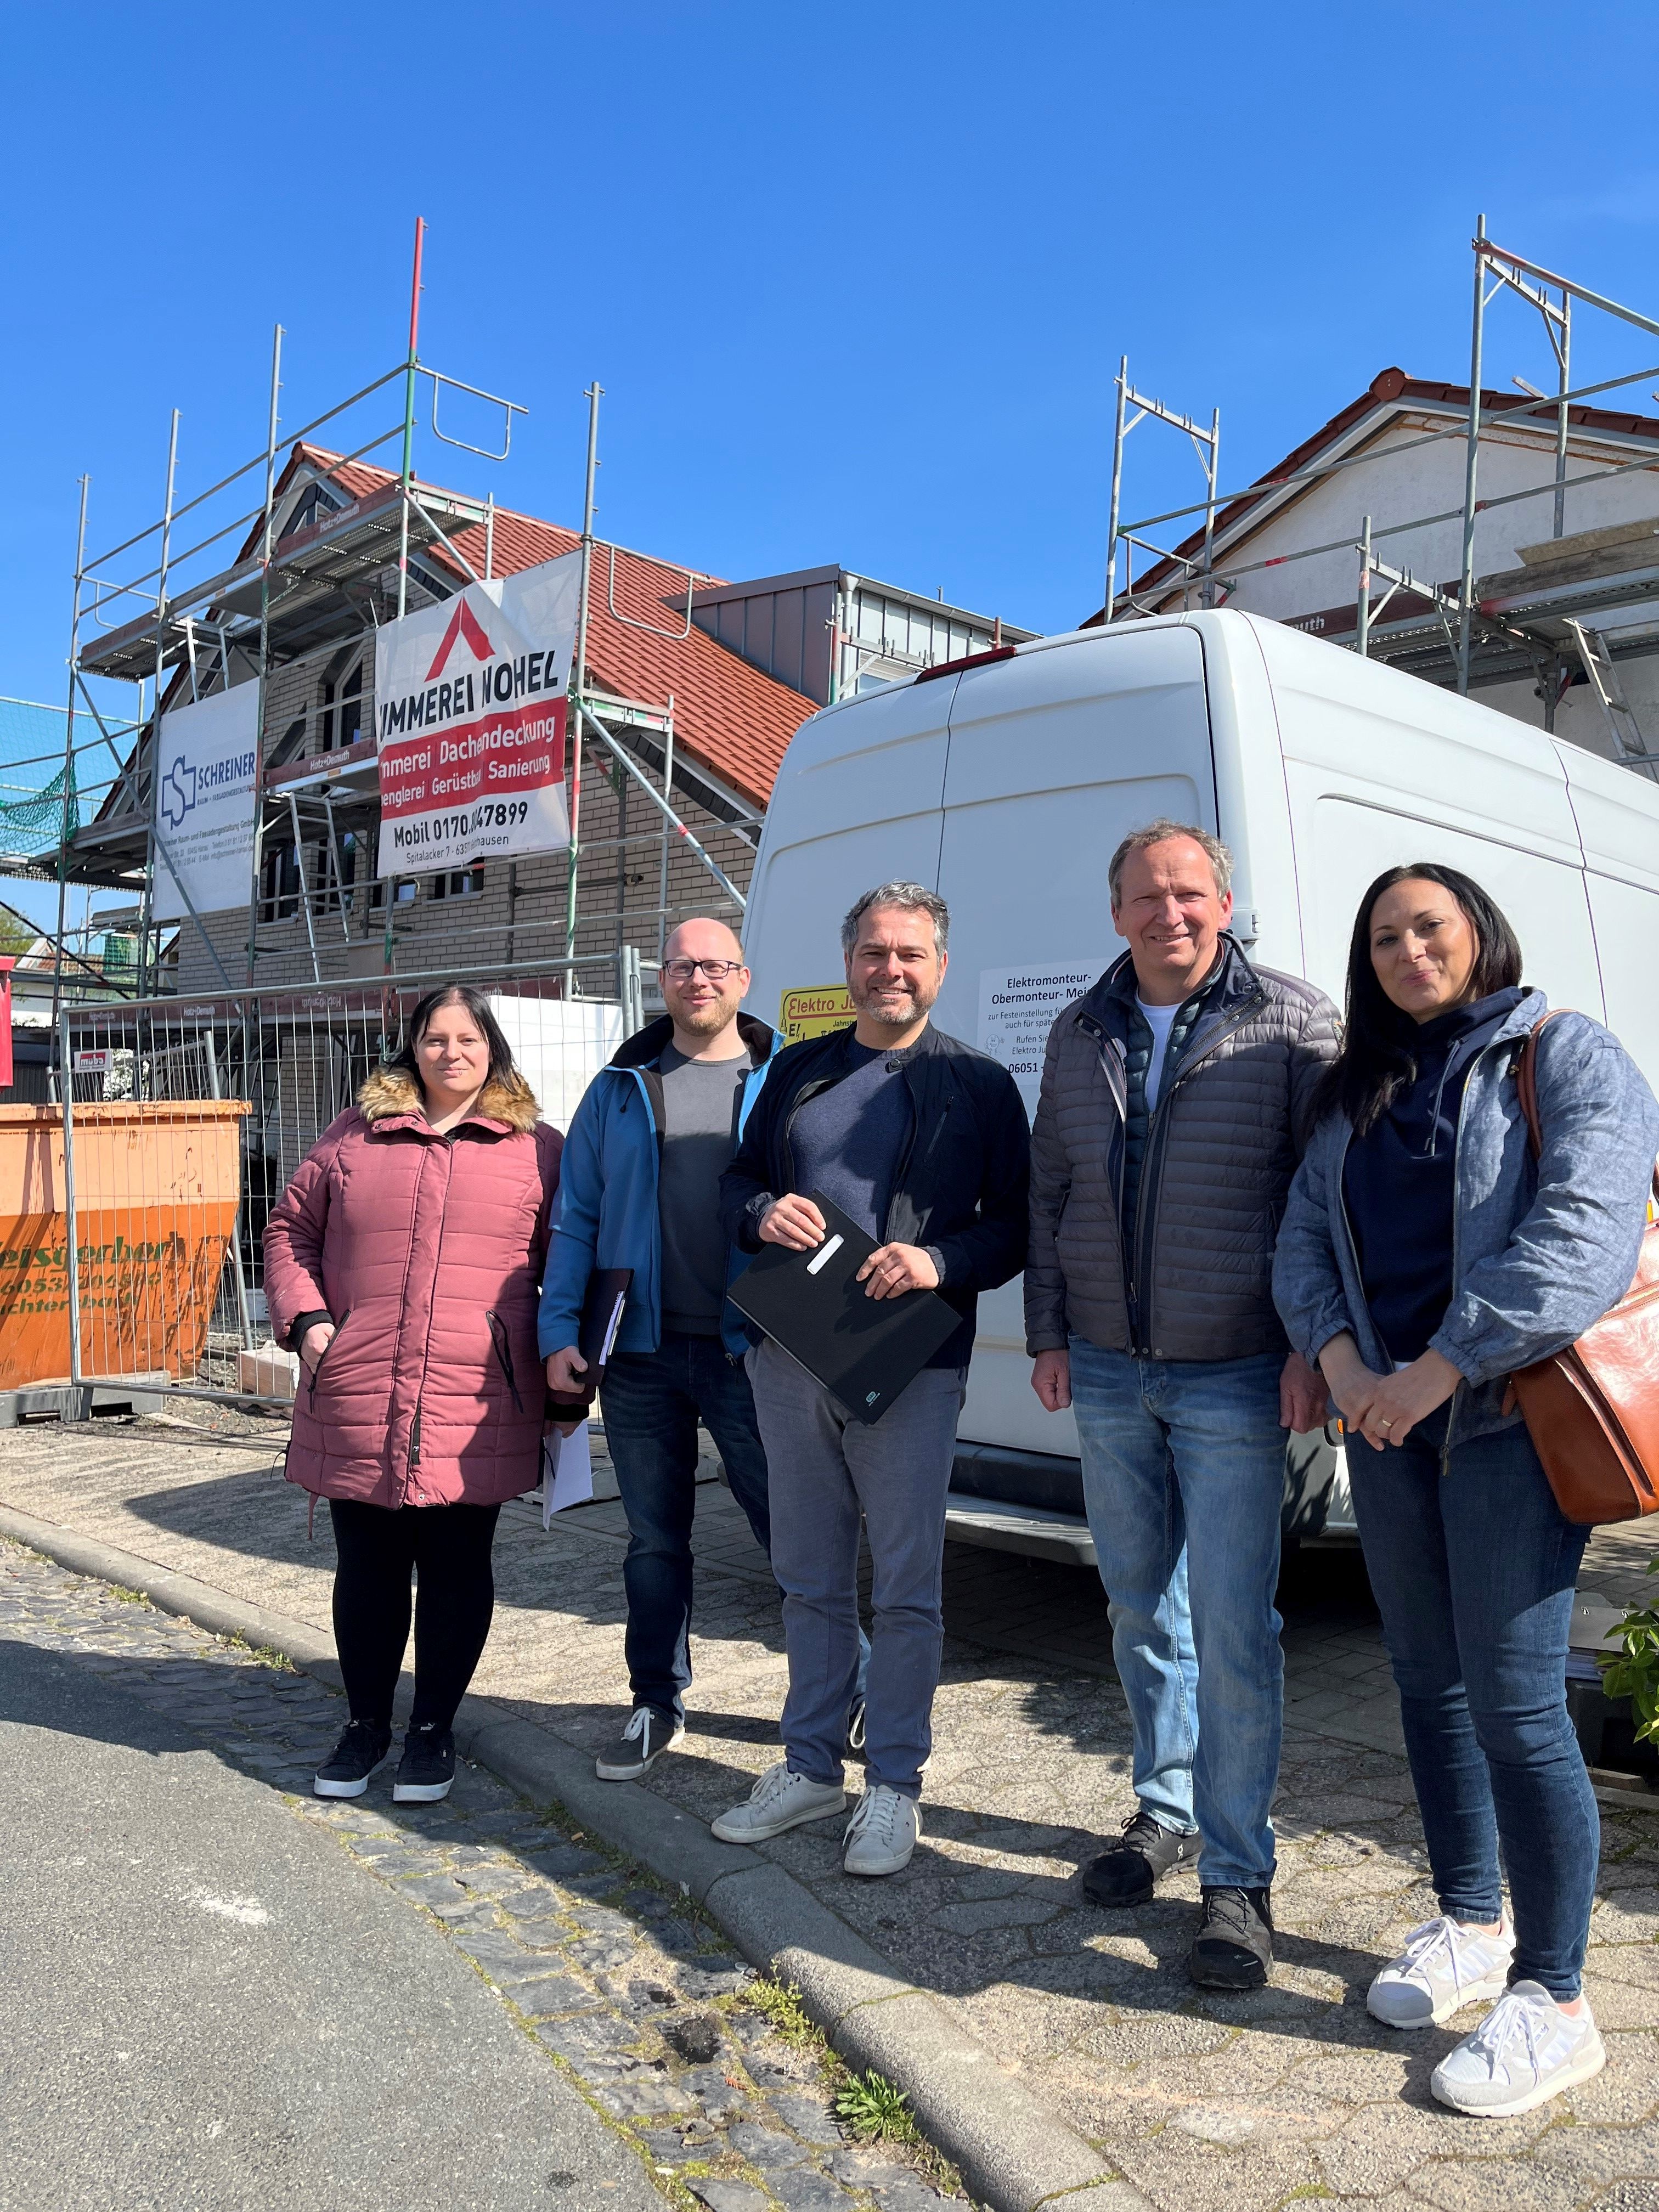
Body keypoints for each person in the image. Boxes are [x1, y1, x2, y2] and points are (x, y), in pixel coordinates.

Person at [1274, 862, 1659, 2115]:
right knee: (1425, 1685)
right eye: (1383, 936)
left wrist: (1442, 1368)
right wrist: (1342, 1363)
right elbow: (1298, 1238)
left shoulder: (1564, 1052)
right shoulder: (1359, 1088)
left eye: (1428, 927)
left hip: (1504, 1422)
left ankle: (1555, 1999)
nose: (1407, 951)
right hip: (1387, 1426)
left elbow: (1584, 1235)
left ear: (1480, 933)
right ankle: (1472, 1922)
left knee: (1518, 1704)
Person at [1025, 819, 1339, 1989]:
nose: (1172, 912)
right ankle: (1162, 1811)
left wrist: (1314, 1346)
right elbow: (1049, 1188)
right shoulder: (1079, 1028)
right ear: (1117, 914)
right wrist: (1049, 1332)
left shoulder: (1295, 1022)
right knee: (1139, 1609)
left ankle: (1239, 1879)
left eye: (1191, 892)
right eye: (1149, 896)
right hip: (1107, 1368)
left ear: (1225, 900)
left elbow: (1325, 1200)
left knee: (1240, 1630)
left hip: (1238, 1373)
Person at [712, 881, 1030, 1877]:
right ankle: (809, 1767)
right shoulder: (798, 1070)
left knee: (905, 1590)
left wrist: (941, 1262)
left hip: (910, 1361)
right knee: (806, 1576)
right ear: (848, 962)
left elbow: (1018, 1224)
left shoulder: (976, 1084)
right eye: (873, 952)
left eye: (910, 954)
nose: (890, 969)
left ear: (941, 967)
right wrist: (764, 1209)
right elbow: (733, 1183)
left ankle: (894, 1786)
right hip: (790, 1348)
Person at [264, 984, 562, 1806]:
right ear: (413, 1049)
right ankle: (365, 1725)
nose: (451, 1053)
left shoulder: (538, 1149)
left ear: (492, 1051)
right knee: (367, 1564)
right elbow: (291, 1231)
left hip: (478, 1395)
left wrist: (564, 1354)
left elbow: (568, 1261)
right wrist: (308, 1318)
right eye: (435, 1039)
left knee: (459, 1565)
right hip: (361, 1381)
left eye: (468, 1040)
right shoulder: (353, 1136)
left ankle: (433, 1731)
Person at [539, 918, 785, 1782]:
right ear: (662, 979)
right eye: (682, 965)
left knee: (791, 1532)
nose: (698, 979)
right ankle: (655, 1700)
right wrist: (557, 1335)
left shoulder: (784, 1076)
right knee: (653, 1540)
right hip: (638, 1353)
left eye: (715, 965)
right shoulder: (618, 1085)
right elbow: (576, 1217)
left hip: (751, 1350)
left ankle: (844, 1687)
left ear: (743, 979)